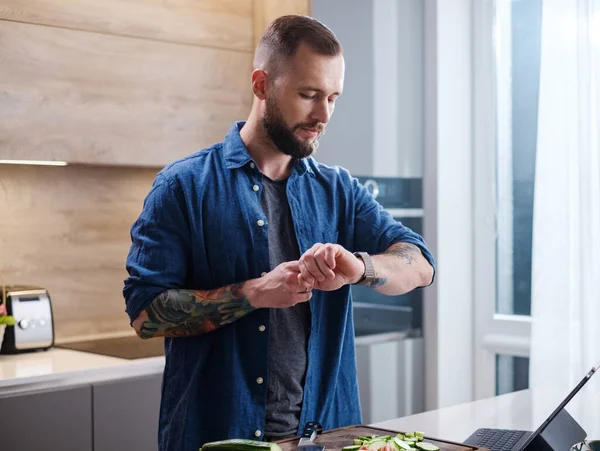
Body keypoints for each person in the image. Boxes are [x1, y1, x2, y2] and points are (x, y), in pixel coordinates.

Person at [123, 14, 435, 451]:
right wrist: (254, 292)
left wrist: (359, 268)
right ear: (261, 84)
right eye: (308, 95)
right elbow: (144, 314)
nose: (323, 114)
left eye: (333, 97)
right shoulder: (183, 187)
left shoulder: (338, 189)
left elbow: (420, 263)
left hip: (327, 438)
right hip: (217, 437)